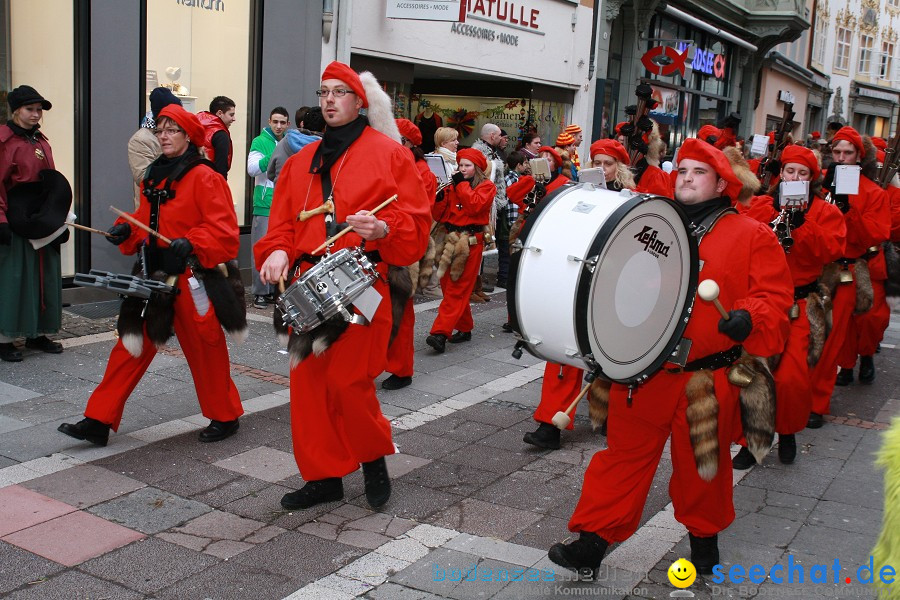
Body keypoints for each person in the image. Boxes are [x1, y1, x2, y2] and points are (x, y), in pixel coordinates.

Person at [547, 138, 793, 577]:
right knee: (621, 459)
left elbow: (775, 300)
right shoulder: (652, 223)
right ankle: (591, 544)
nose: (686, 178)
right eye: (682, 171)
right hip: (646, 372)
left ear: (722, 183)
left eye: (698, 172)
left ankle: (704, 547)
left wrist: (747, 317)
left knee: (703, 470)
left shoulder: (752, 234)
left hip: (705, 379)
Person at [255, 62, 431, 510]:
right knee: (308, 385)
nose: (329, 100)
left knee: (350, 381)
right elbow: (280, 228)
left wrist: (382, 229)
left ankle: (373, 458)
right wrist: (276, 251)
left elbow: (416, 224)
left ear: (359, 102)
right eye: (323, 92)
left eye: (339, 92)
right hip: (308, 286)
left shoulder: (391, 155)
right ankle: (324, 475)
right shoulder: (298, 164)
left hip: (364, 285)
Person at [58, 104, 244, 446]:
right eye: (160, 130)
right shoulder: (155, 175)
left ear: (188, 136)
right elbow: (143, 218)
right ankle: (99, 418)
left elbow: (225, 232)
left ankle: (225, 415)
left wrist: (193, 241)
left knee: (205, 349)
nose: (163, 136)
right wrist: (124, 231)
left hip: (191, 278)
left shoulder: (206, 177)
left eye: (171, 130)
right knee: (131, 344)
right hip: (154, 276)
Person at [733, 144, 846, 467]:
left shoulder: (825, 212)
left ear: (812, 179)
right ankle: (751, 442)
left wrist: (802, 226)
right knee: (755, 374)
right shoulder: (763, 205)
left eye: (803, 173)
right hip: (763, 301)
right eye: (790, 171)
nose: (795, 177)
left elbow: (831, 251)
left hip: (800, 303)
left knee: (792, 378)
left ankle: (788, 430)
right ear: (781, 175)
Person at [808, 127, 890, 428]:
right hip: (817, 271)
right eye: (837, 152)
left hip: (847, 271)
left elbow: (876, 234)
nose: (841, 158)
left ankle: (817, 402)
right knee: (809, 337)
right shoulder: (822, 188)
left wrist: (849, 209)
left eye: (848, 153)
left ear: (859, 156)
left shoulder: (873, 193)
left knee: (831, 339)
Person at [0, 85, 67, 363]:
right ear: (15, 111)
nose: (36, 115)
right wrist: (1, 220)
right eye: (30, 109)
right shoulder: (4, 143)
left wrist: (58, 220)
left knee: (45, 276)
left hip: (41, 219)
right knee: (16, 279)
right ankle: (4, 338)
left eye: (39, 110)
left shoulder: (41, 141)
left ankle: (38, 333)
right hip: (16, 218)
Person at [382, 118, 438, 390]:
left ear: (408, 144)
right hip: (384, 244)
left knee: (401, 312)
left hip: (404, 248)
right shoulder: (395, 164)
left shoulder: (422, 172)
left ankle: (402, 368)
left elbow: (416, 214)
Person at [425, 148, 496, 354]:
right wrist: (438, 197)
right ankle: (464, 328)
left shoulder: (486, 186)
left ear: (477, 168)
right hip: (450, 241)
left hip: (471, 244)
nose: (462, 169)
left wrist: (461, 185)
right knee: (449, 287)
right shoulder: (454, 186)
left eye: (467, 166)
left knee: (457, 289)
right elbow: (440, 214)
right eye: (461, 165)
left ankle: (439, 332)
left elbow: (475, 206)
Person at [248, 106, 290, 309]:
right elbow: (252, 169)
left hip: (284, 206)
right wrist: (275, 153)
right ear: (269, 121)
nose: (279, 126)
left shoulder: (290, 141)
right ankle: (260, 293)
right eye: (276, 122)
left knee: (279, 250)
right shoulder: (260, 141)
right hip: (264, 204)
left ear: (288, 124)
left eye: (283, 122)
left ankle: (275, 292)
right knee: (262, 250)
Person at [127, 87, 182, 209]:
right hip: (153, 210)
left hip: (177, 208)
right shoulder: (141, 139)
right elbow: (142, 177)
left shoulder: (182, 135)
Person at [267, 107, 325, 184]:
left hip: (281, 192)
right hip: (307, 194)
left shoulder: (285, 141)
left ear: (302, 124)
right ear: (325, 128)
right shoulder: (325, 148)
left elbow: (271, 174)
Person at [197, 96, 236, 177]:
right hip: (210, 182)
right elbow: (221, 168)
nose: (234, 119)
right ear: (219, 113)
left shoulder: (195, 127)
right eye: (231, 115)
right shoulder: (221, 134)